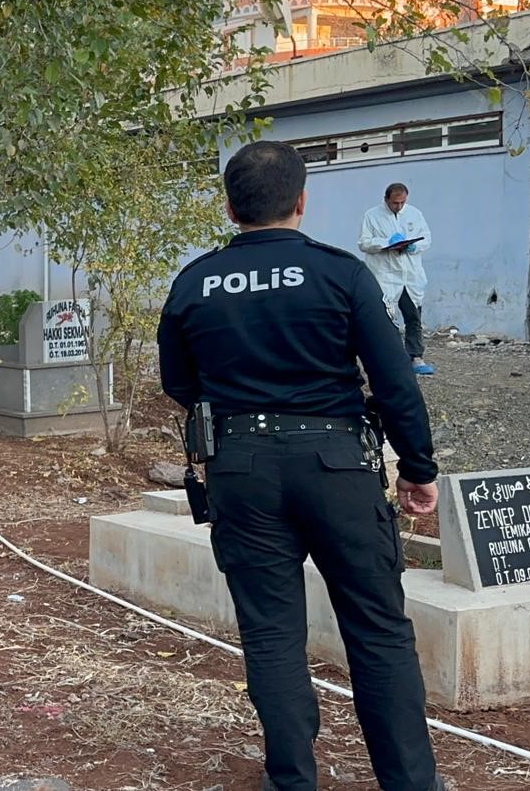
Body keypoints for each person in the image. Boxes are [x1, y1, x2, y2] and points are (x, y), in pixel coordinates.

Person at [158, 141, 446, 791]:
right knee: (377, 630)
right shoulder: (340, 273)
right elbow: (395, 382)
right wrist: (418, 468)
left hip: (241, 468)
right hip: (338, 465)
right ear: (302, 201)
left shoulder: (194, 282)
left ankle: (291, 780)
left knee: (271, 632)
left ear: (230, 207)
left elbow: (180, 382)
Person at [358, 183, 435, 376]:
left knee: (413, 317)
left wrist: (412, 247)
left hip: (410, 275)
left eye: (402, 202)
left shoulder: (414, 214)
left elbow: (426, 238)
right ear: (386, 199)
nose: (398, 206)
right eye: (394, 203)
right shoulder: (372, 216)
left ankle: (416, 356)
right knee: (385, 319)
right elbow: (364, 243)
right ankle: (388, 358)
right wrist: (386, 243)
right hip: (386, 275)